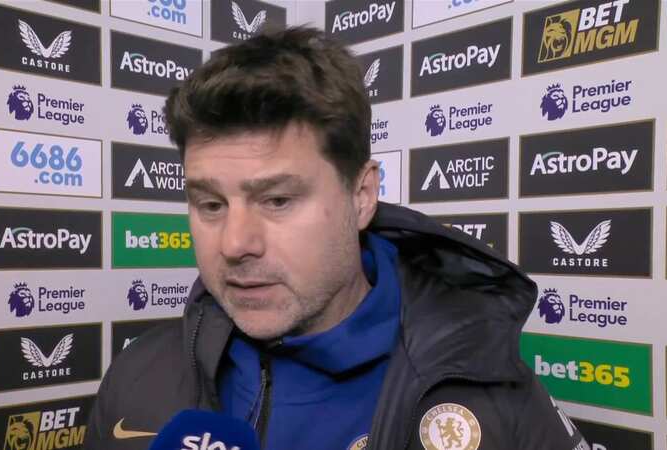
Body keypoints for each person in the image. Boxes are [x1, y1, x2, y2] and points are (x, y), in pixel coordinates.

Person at [86, 27, 588, 450]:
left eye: (277, 200)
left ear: (362, 195)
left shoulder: (487, 395)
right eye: (211, 205)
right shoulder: (137, 378)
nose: (235, 244)